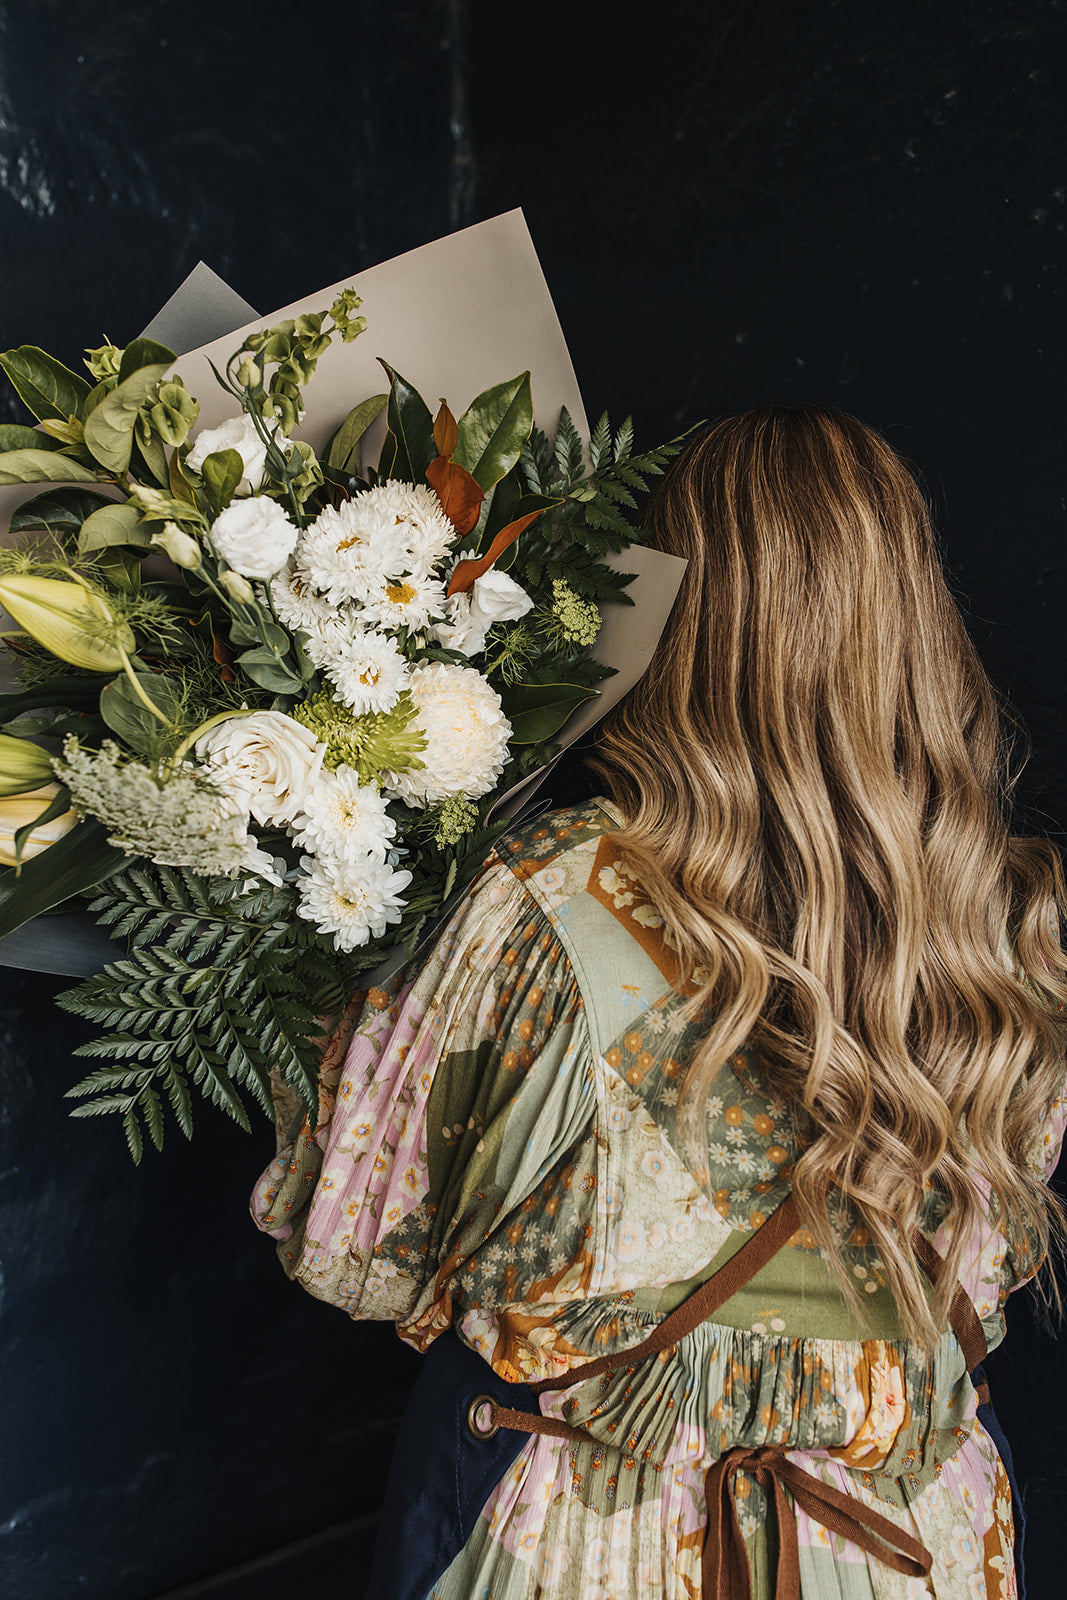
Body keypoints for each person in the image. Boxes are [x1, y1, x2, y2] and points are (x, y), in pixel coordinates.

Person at [251, 406, 1067, 1600]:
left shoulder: (538, 902)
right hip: (920, 1548)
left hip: (587, 1544)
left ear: (665, 612)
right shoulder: (1017, 926)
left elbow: (352, 1250)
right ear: (913, 614)